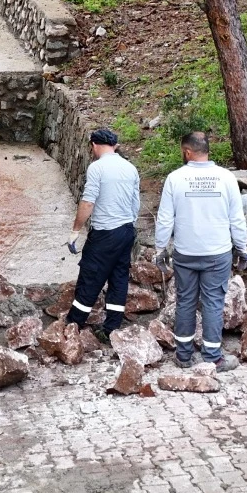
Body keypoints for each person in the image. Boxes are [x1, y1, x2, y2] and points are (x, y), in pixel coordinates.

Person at [155, 131, 247, 372]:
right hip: (217, 253)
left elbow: (165, 219)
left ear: (187, 152)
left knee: (185, 301)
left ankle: (184, 355)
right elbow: (236, 219)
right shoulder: (226, 178)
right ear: (207, 150)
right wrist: (242, 248)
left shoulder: (175, 178)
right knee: (213, 303)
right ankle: (213, 357)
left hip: (185, 253)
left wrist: (160, 249)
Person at [65, 128, 142, 342]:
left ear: (94, 145)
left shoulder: (97, 168)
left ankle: (74, 323)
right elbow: (136, 202)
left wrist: (75, 231)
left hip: (105, 233)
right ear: (115, 146)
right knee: (118, 278)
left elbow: (88, 201)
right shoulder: (130, 168)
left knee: (91, 275)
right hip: (127, 231)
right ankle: (111, 328)